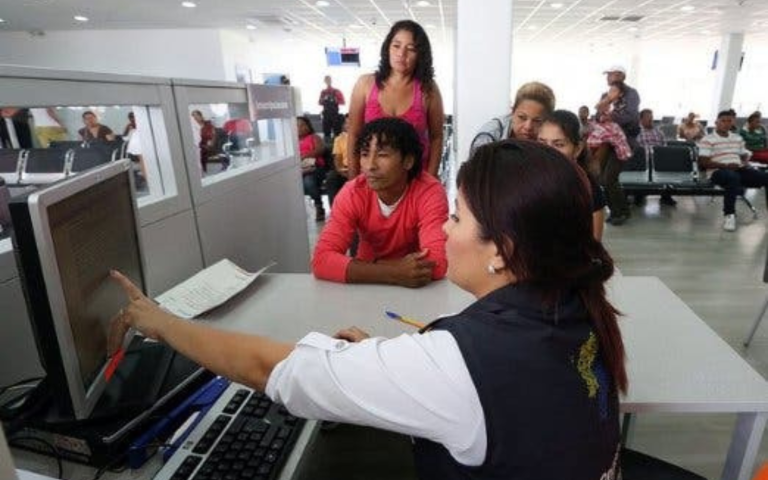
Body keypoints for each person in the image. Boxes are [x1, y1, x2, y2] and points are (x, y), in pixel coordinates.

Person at [108, 138, 626, 480]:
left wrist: (162, 322)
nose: (445, 229)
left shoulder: (462, 365)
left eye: (458, 217)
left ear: (502, 250)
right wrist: (392, 359)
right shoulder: (579, 304)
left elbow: (267, 368)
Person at [312, 117, 447, 286]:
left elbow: (438, 262)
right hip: (367, 284)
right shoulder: (353, 193)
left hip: (414, 285)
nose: (370, 166)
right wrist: (394, 272)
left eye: (382, 155)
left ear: (408, 161)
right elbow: (321, 261)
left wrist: (366, 266)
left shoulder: (429, 191)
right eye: (365, 154)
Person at [347, 19, 444, 178]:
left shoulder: (428, 89)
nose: (401, 54)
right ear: (387, 48)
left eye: (410, 48)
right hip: (372, 178)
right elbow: (354, 134)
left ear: (420, 55)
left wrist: (430, 180)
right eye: (396, 46)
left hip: (414, 178)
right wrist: (353, 180)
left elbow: (436, 138)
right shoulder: (365, 84)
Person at [538, 110, 606, 240]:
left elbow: (594, 246)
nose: (548, 151)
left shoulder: (588, 189)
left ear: (578, 149)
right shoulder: (525, 182)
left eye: (558, 145)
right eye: (541, 142)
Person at [698, 110, 768, 232]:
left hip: (738, 169)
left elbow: (745, 153)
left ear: (732, 123)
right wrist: (725, 166)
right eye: (723, 121)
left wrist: (745, 159)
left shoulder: (737, 138)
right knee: (732, 177)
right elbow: (703, 162)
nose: (726, 123)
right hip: (717, 171)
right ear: (716, 123)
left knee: (765, 177)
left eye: (729, 121)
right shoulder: (708, 139)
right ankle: (729, 215)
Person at [469, 81, 556, 154]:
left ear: (548, 121)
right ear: (512, 111)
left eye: (537, 121)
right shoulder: (488, 137)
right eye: (522, 117)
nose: (528, 127)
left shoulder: (553, 139)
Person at [588, 86, 632, 225]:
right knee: (605, 181)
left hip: (619, 152)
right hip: (609, 149)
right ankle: (619, 211)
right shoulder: (601, 113)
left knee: (608, 181)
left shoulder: (619, 110)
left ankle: (620, 212)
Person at [637, 108, 676, 206]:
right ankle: (639, 194)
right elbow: (635, 149)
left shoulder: (659, 132)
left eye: (651, 117)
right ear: (640, 120)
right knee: (641, 166)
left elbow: (664, 147)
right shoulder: (636, 132)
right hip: (643, 159)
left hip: (658, 158)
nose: (650, 120)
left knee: (668, 166)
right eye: (647, 118)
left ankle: (666, 195)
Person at [597, 65, 640, 148]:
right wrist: (601, 116)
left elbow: (631, 117)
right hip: (605, 134)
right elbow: (597, 116)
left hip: (626, 137)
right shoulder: (605, 96)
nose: (607, 78)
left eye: (610, 75)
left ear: (621, 76)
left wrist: (611, 117)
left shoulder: (631, 93)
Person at [297, 115, 327, 222]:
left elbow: (320, 150)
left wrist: (303, 156)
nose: (299, 128)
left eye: (302, 125)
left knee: (308, 181)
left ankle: (319, 206)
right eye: (297, 126)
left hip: (315, 168)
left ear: (308, 126)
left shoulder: (314, 137)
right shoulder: (291, 140)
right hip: (298, 169)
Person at [325, 114, 350, 207]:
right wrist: (340, 169)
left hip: (362, 169)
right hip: (345, 168)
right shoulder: (339, 139)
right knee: (332, 178)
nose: (349, 125)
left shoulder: (366, 137)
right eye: (347, 123)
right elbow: (338, 157)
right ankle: (334, 210)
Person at [318, 75, 345, 141]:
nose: (328, 81)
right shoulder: (323, 92)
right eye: (326, 80)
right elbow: (319, 102)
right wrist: (324, 99)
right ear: (324, 81)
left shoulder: (336, 91)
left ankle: (338, 146)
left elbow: (343, 102)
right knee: (326, 132)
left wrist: (335, 100)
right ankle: (327, 146)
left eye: (329, 79)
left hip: (335, 114)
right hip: (326, 114)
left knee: (337, 132)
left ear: (331, 80)